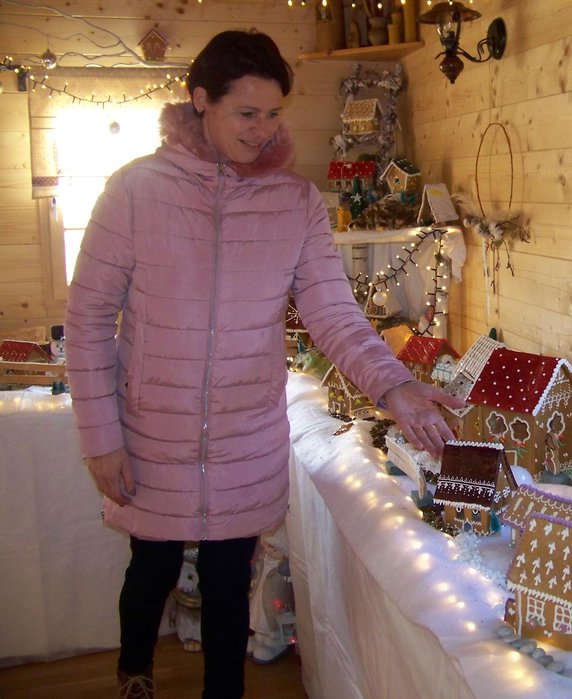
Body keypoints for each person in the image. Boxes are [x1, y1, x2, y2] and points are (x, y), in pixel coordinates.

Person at [65, 29, 463, 699]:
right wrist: (100, 440)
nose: (263, 129)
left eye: (273, 113)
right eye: (246, 113)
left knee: (228, 583)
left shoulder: (295, 204)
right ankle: (135, 673)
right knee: (150, 569)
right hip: (150, 434)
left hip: (244, 438)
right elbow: (86, 321)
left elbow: (334, 313)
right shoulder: (134, 192)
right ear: (200, 102)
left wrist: (394, 386)